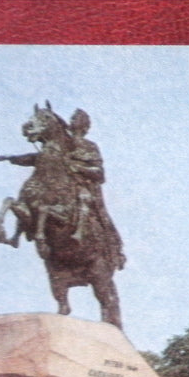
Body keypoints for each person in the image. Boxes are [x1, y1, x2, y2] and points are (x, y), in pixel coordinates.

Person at [67, 109, 126, 269]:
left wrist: (77, 167)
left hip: (84, 188)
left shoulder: (90, 146)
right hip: (64, 187)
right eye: (71, 118)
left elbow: (100, 173)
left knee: (91, 206)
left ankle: (114, 250)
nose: (71, 120)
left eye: (75, 118)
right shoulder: (62, 143)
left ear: (83, 125)